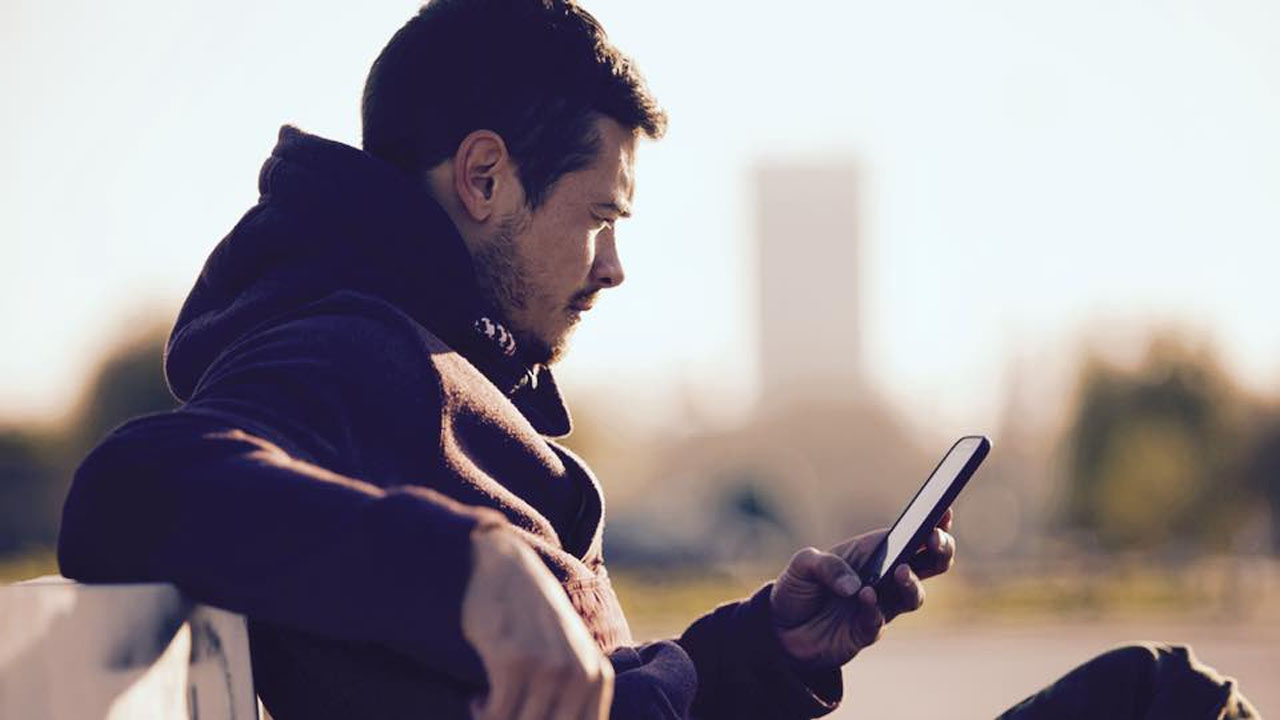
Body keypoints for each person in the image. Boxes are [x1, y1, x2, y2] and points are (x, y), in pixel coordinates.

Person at [56, 1, 1257, 718]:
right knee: (1161, 699)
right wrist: (472, 568)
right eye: (600, 217)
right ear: (483, 180)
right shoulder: (350, 353)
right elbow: (132, 487)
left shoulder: (439, 363)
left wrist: (769, 649)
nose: (613, 267)